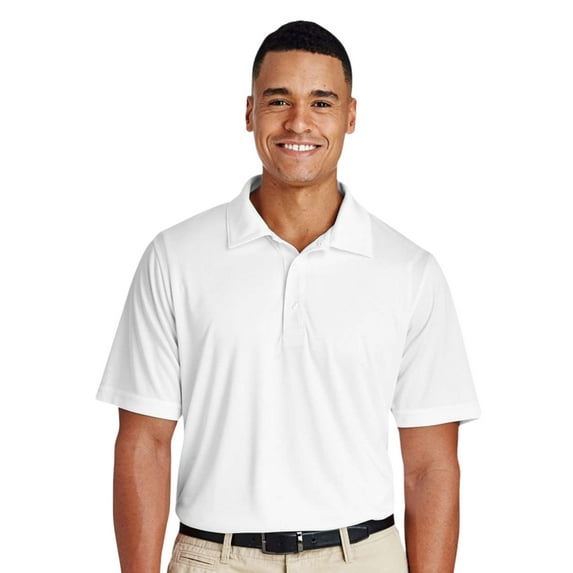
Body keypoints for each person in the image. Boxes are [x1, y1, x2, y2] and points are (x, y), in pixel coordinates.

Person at [97, 20, 480, 573]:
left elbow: (430, 468)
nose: (299, 121)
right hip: (214, 558)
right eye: (279, 100)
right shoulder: (174, 258)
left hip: (362, 558)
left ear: (351, 115)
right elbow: (144, 444)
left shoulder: (409, 271)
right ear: (249, 112)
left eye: (322, 102)